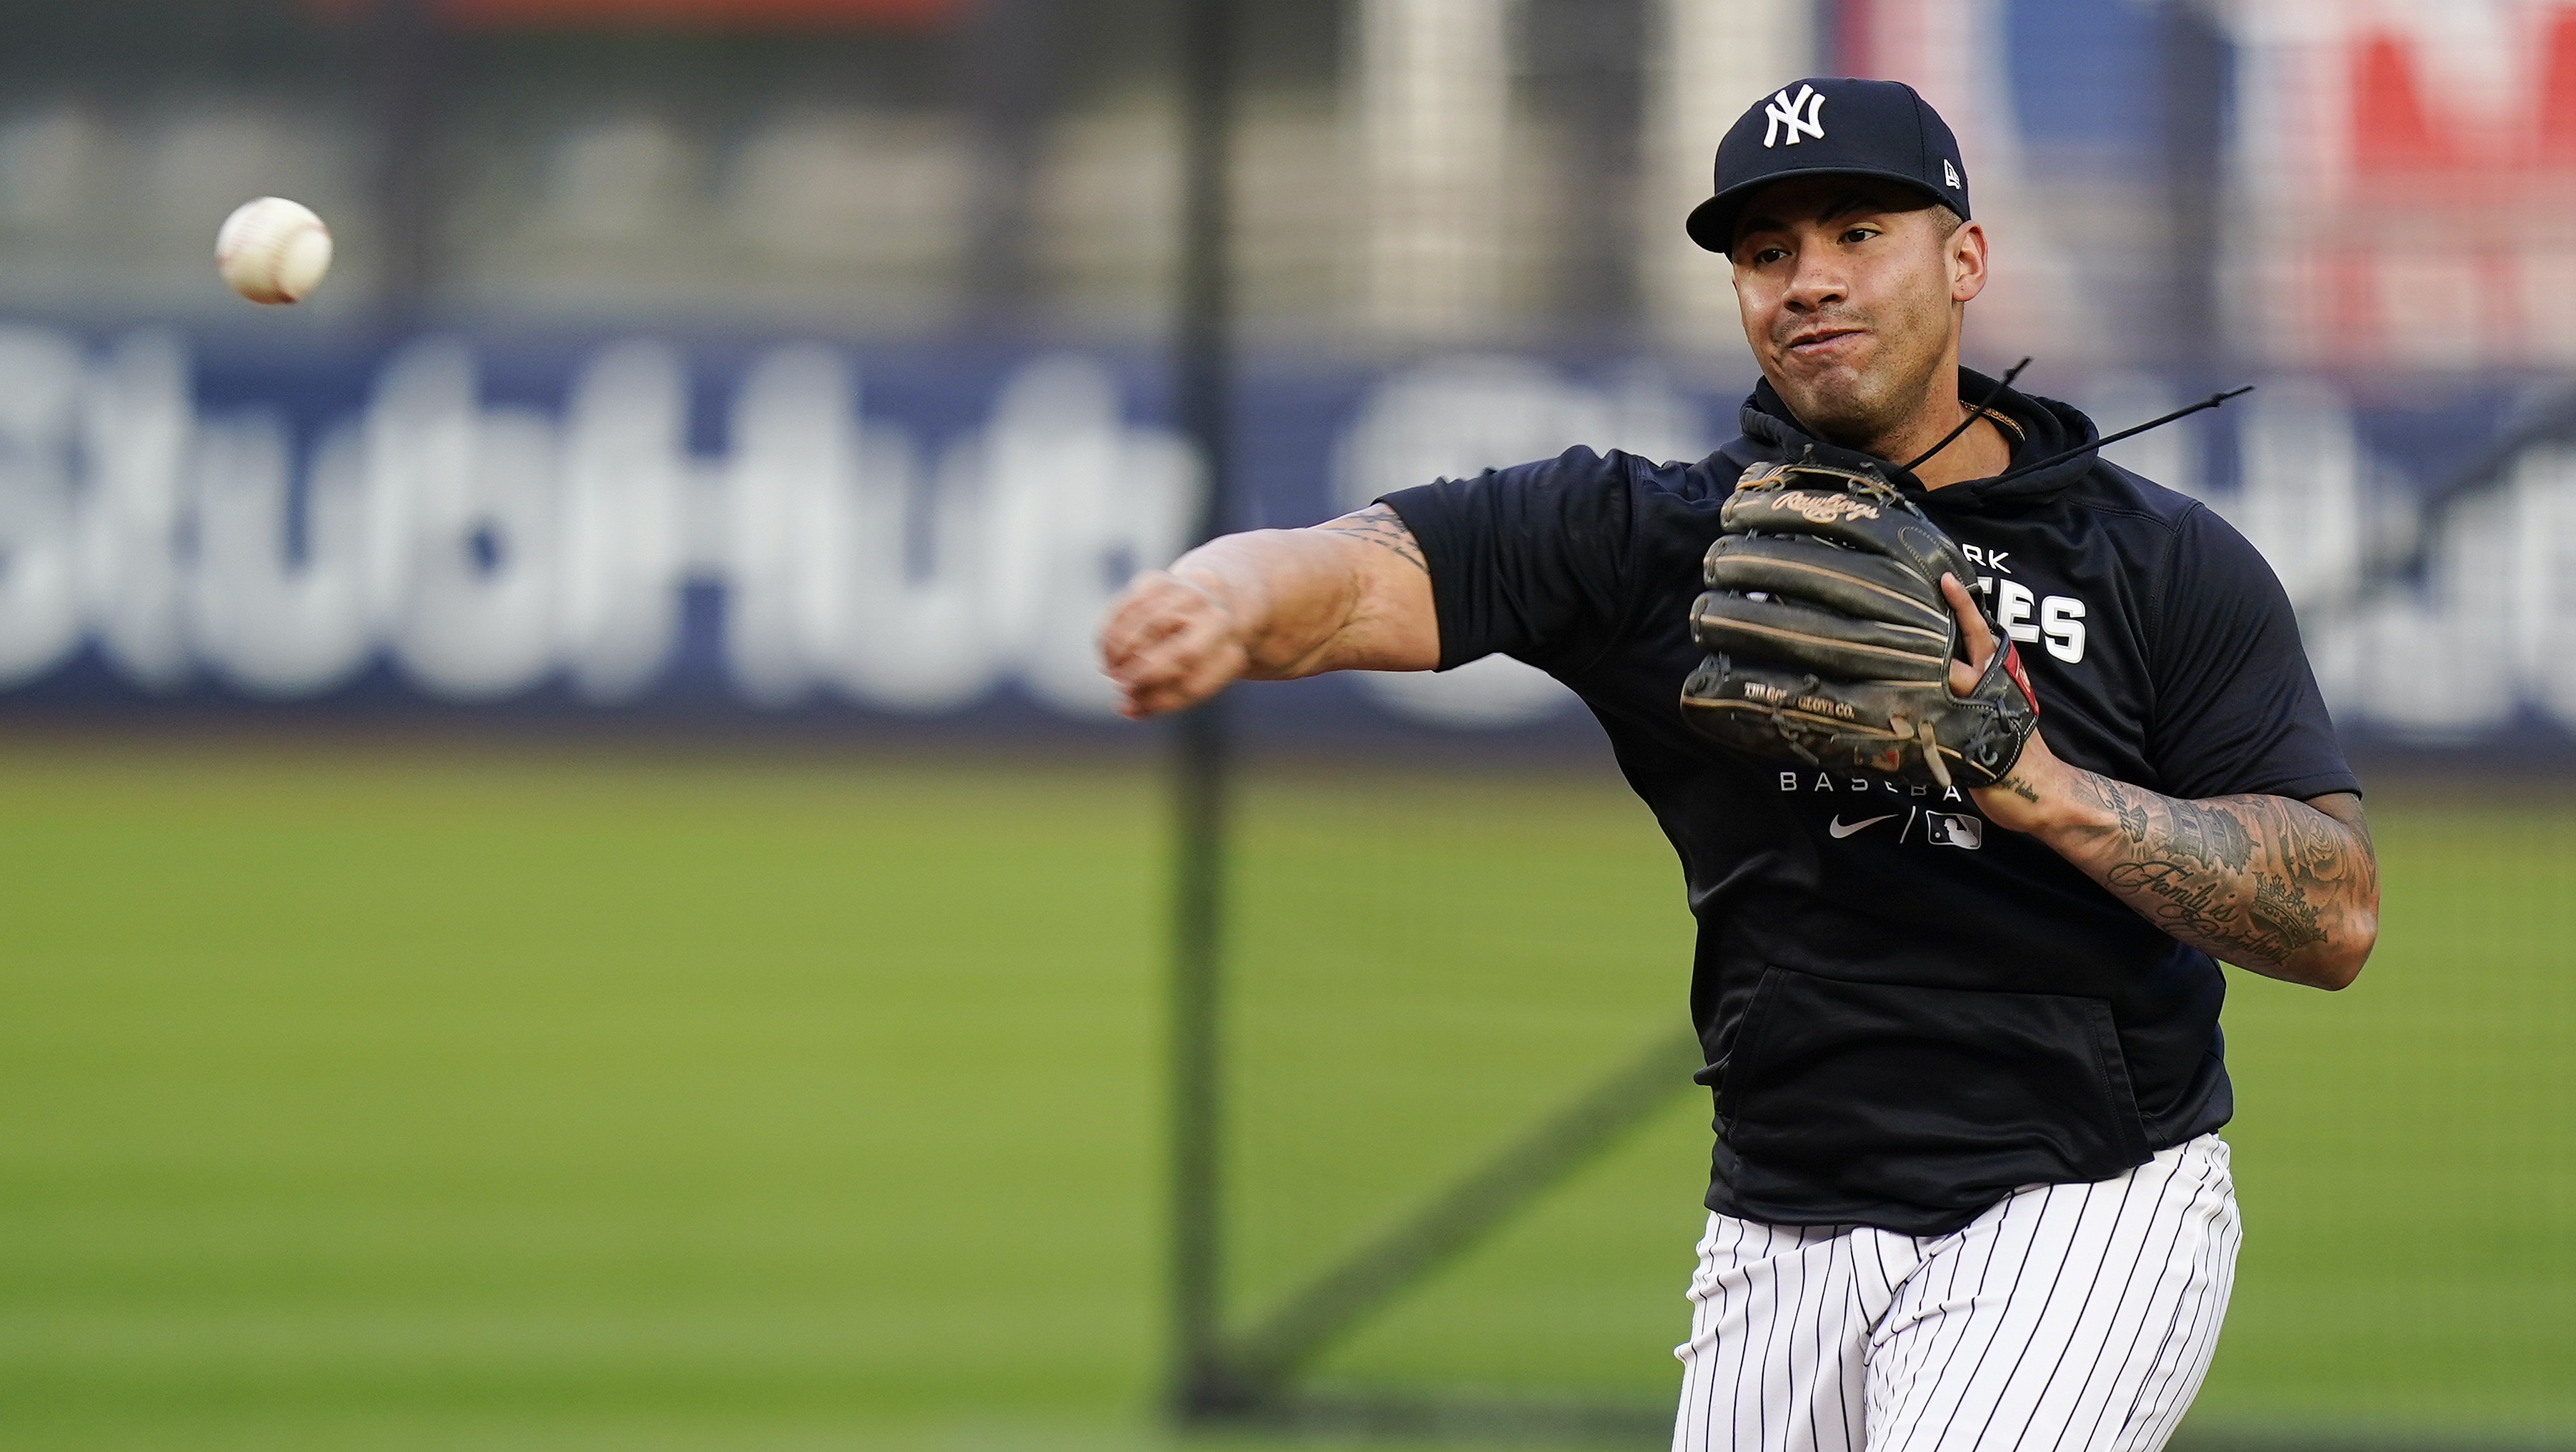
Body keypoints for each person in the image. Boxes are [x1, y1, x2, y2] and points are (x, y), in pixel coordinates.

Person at [1095, 76, 2377, 1452]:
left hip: (2082, 1201)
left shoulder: (2158, 561)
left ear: (1964, 257)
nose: (1807, 282)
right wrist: (1220, 595)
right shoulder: (1663, 537)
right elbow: (1357, 572)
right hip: (1782, 1217)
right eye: (1766, 254)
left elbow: (2334, 916)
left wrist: (2038, 785)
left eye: (1855, 234)